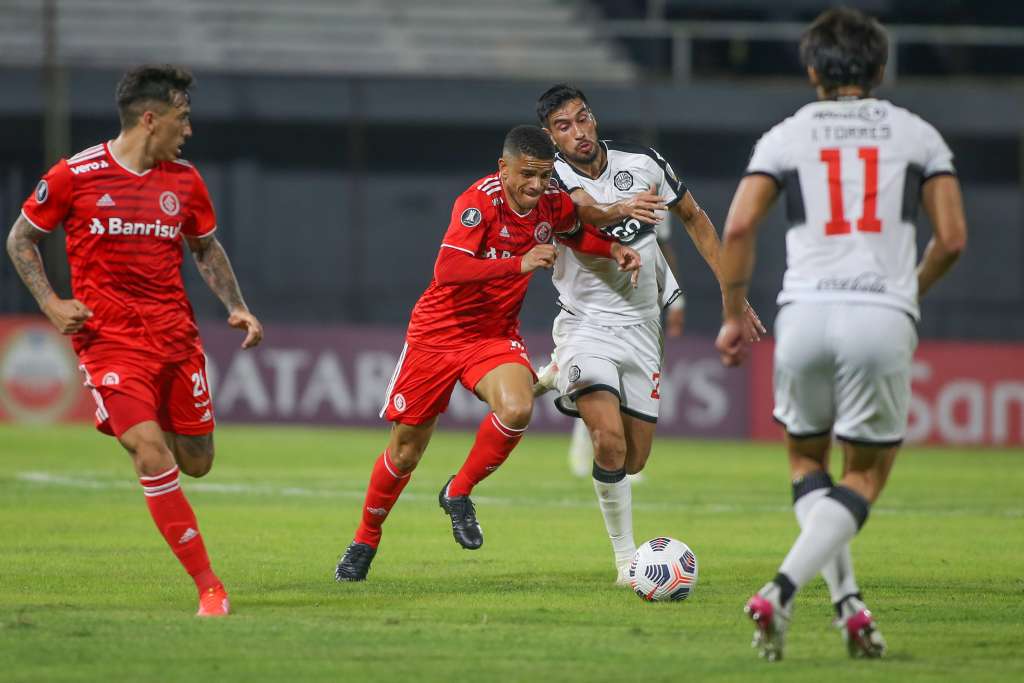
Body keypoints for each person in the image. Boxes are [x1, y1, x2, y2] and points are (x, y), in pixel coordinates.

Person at [715, 7, 967, 661]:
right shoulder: (918, 135)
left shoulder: (786, 135)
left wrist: (733, 311)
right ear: (879, 69)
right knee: (864, 475)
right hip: (879, 314)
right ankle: (780, 587)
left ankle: (850, 605)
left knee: (806, 463)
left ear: (811, 71)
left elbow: (738, 228)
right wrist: (909, 288)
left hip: (802, 315)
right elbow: (953, 238)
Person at [6, 65, 263, 617]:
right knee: (150, 451)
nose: (188, 130)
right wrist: (51, 304)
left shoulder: (185, 180)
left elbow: (205, 248)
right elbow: (22, 239)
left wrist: (236, 307)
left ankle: (155, 455)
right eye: (183, 118)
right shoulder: (76, 175)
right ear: (151, 119)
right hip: (109, 343)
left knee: (196, 461)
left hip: (175, 338)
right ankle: (209, 587)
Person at [334, 125, 641, 582]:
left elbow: (575, 233)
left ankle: (457, 492)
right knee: (405, 452)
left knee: (517, 408)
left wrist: (613, 247)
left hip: (493, 336)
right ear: (504, 168)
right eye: (526, 175)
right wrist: (518, 263)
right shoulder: (478, 202)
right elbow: (448, 268)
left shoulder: (550, 200)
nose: (536, 186)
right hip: (436, 335)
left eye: (542, 175)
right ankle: (365, 538)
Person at [532, 84, 764, 585]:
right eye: (564, 127)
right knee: (608, 444)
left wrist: (732, 291)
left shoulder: (644, 161)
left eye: (583, 119)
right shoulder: (552, 177)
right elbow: (584, 213)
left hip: (642, 327)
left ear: (594, 119)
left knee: (633, 459)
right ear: (552, 138)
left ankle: (552, 374)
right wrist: (619, 210)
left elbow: (695, 219)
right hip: (585, 324)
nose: (579, 132)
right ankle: (624, 561)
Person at [556, 228, 685, 480]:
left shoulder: (656, 193)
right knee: (600, 383)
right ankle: (588, 445)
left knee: (635, 457)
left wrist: (675, 298)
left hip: (643, 308)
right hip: (598, 306)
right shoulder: (579, 192)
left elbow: (661, 246)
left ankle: (616, 450)